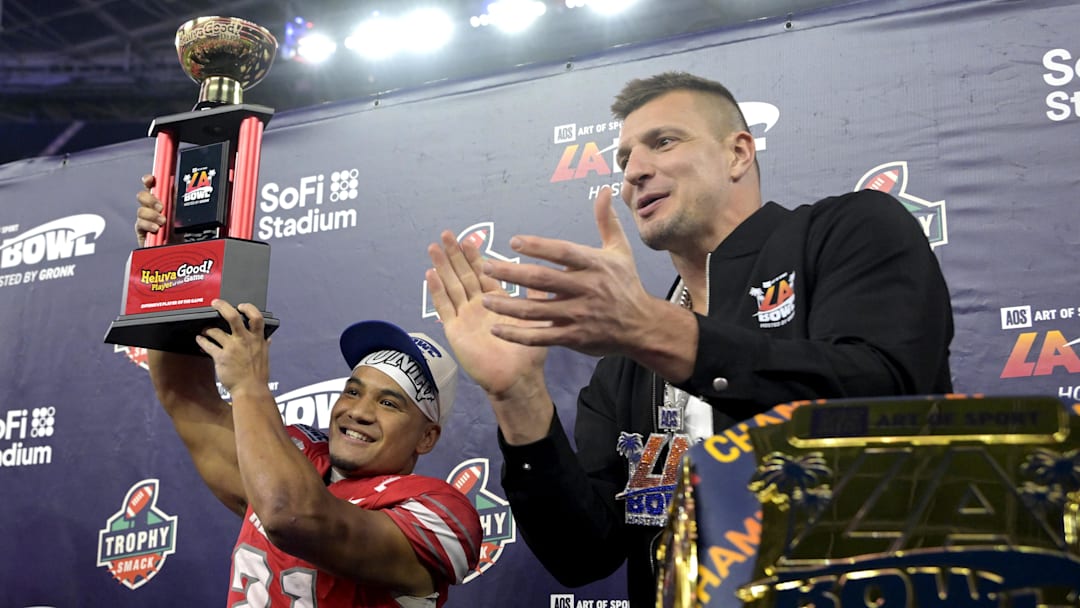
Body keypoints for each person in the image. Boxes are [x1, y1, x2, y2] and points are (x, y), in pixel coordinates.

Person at [425, 71, 953, 607]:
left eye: (663, 142)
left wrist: (655, 331)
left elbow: (888, 406)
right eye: (625, 159)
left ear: (739, 154)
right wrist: (518, 397)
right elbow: (584, 555)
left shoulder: (849, 229)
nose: (635, 172)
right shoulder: (625, 367)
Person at [134, 177, 482, 608]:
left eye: (389, 402)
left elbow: (293, 516)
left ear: (427, 436)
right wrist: (175, 259)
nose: (359, 411)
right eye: (353, 391)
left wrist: (248, 387)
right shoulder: (292, 453)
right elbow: (182, 392)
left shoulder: (438, 511)